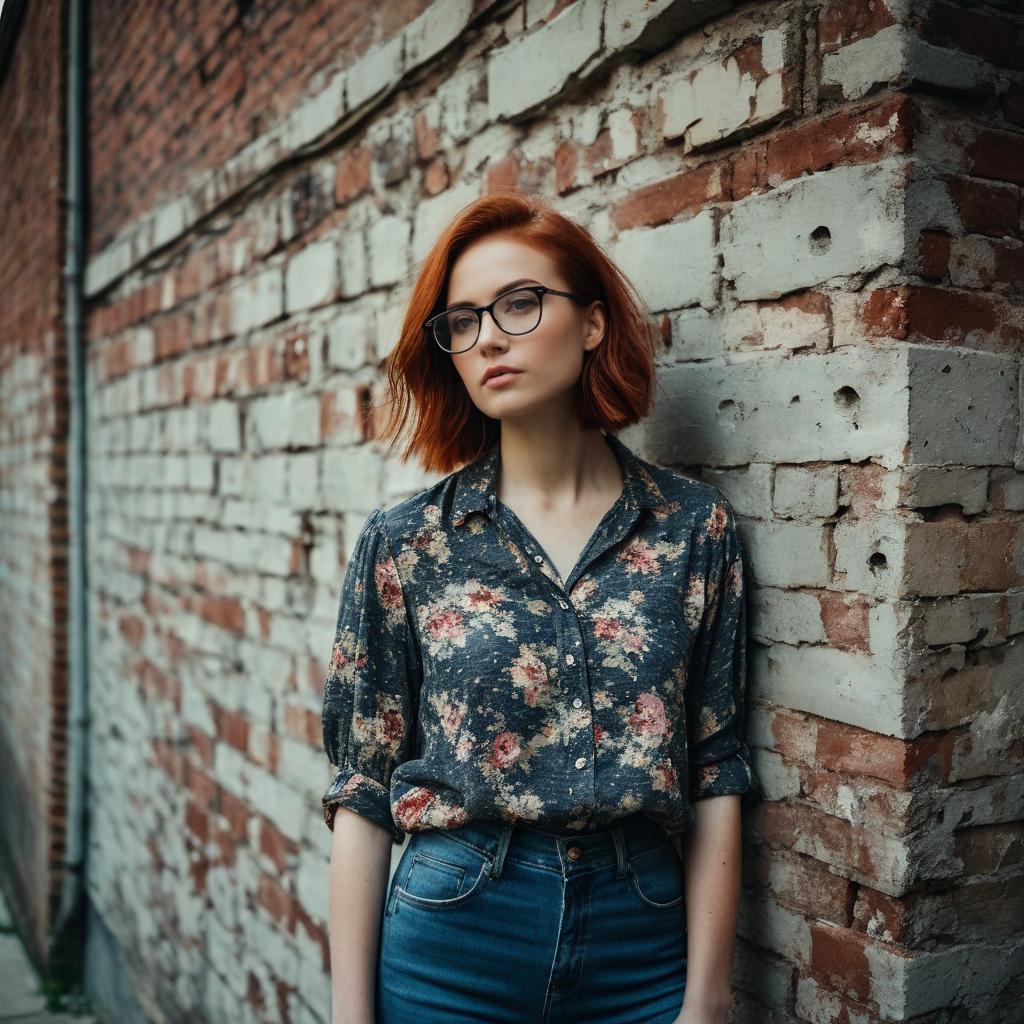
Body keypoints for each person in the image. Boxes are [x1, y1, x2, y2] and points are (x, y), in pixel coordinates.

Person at [320, 192, 760, 1024]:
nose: (487, 336)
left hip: (645, 934)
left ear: (593, 323)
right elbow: (363, 788)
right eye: (461, 320)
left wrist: (706, 1000)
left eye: (520, 303)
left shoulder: (692, 528)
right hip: (456, 932)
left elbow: (716, 767)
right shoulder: (407, 542)